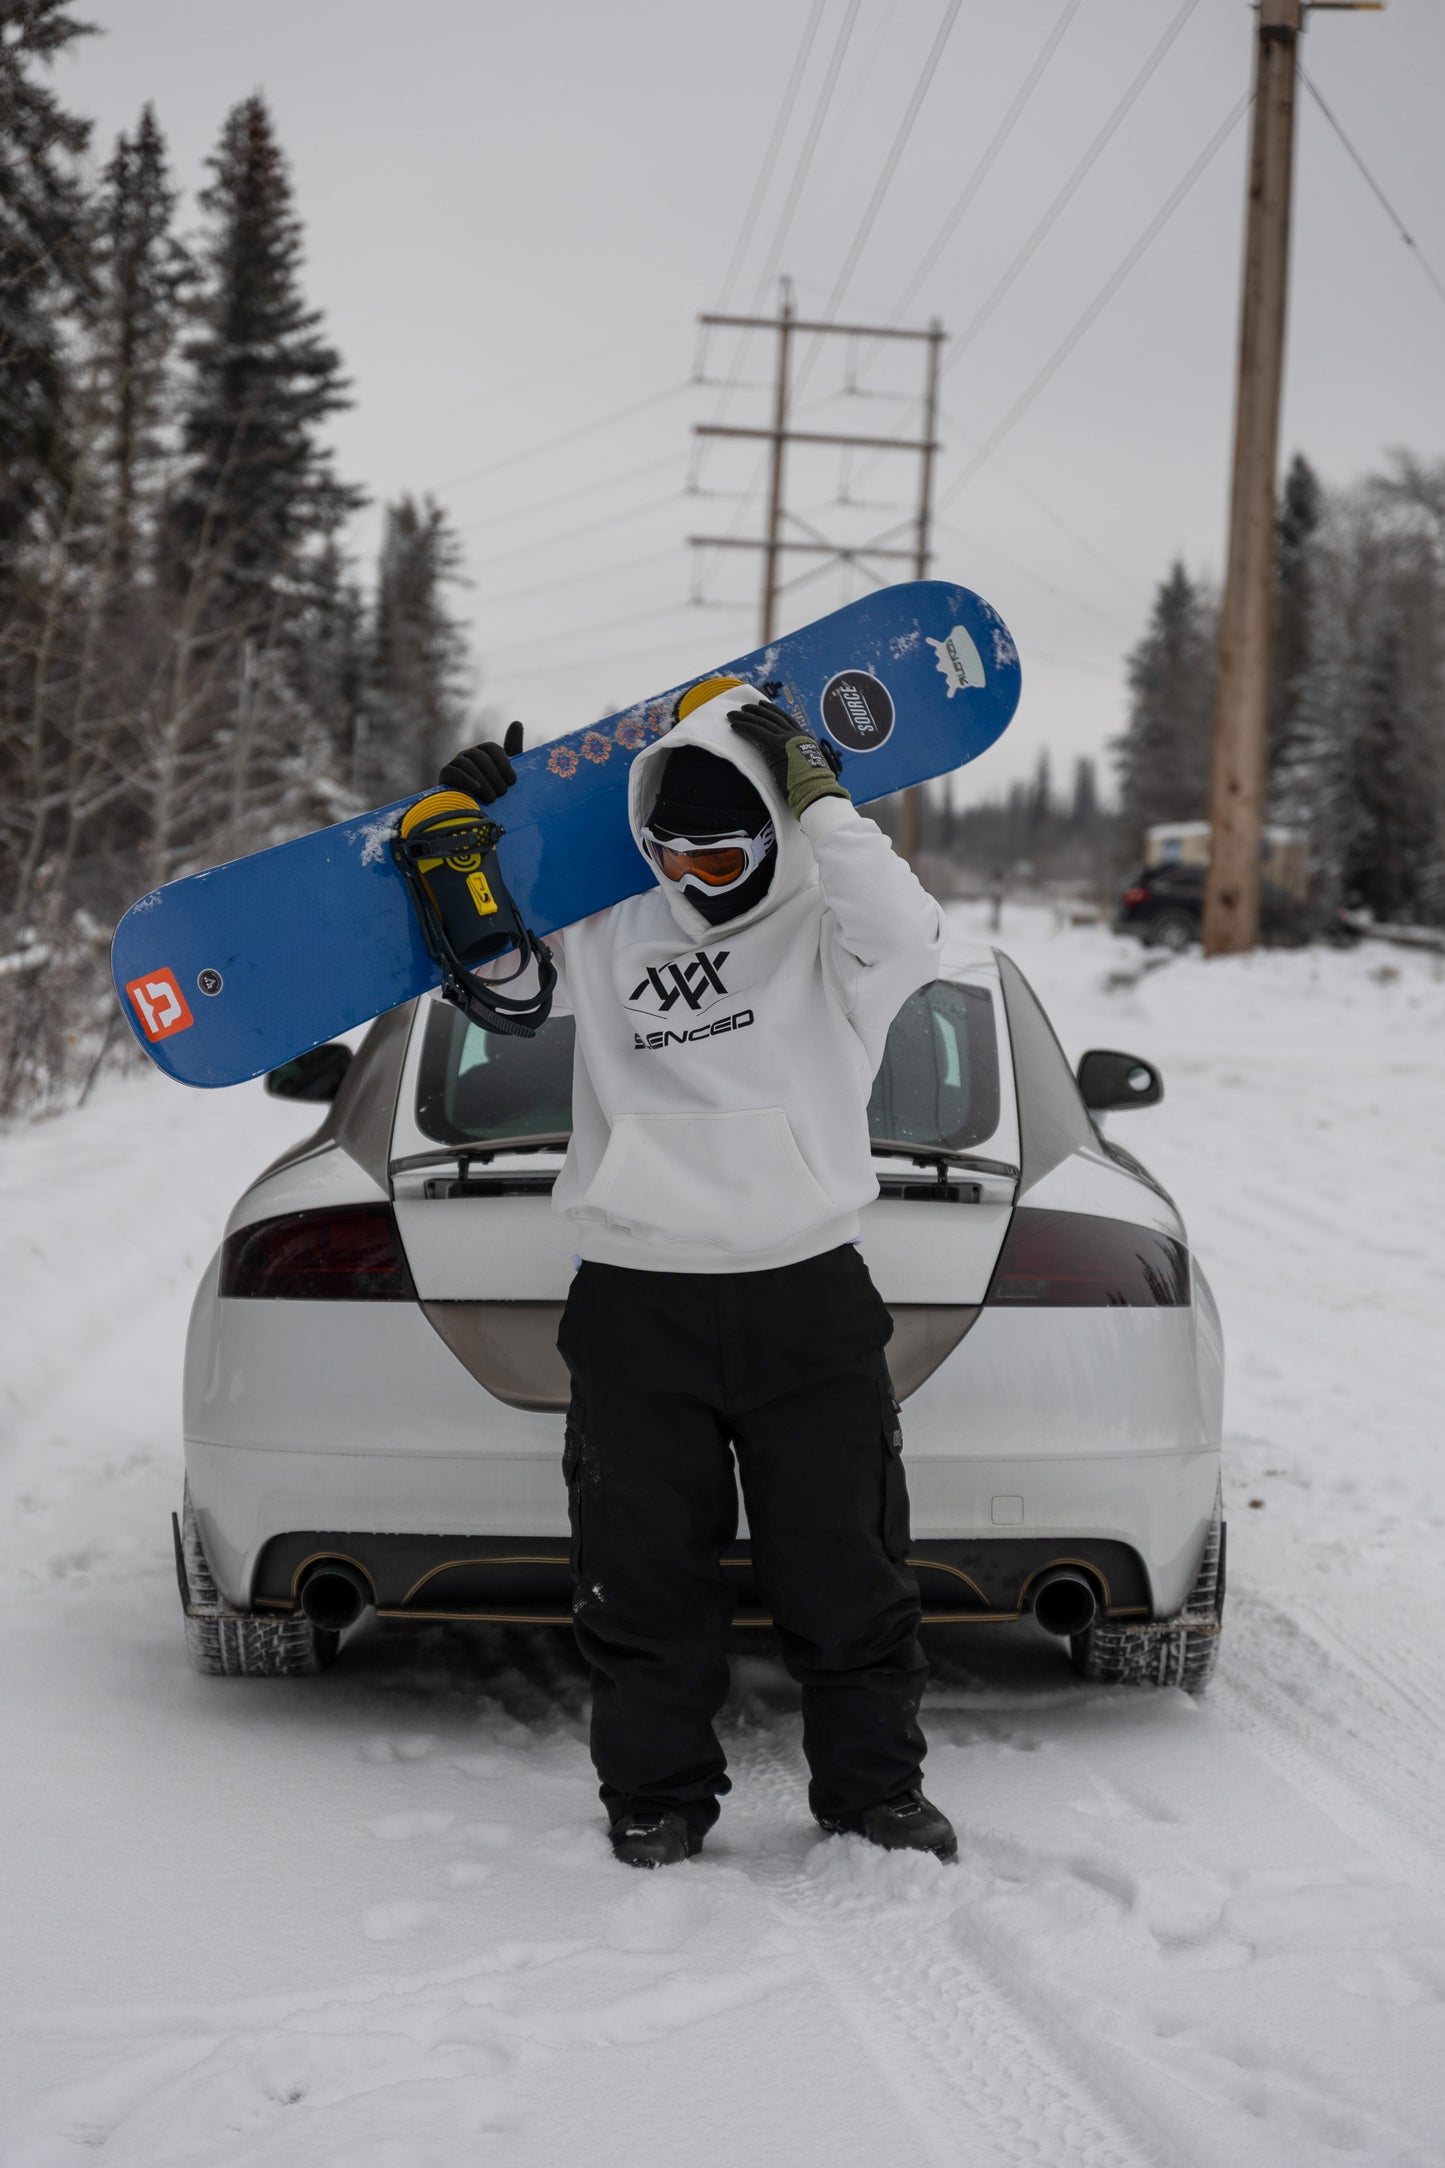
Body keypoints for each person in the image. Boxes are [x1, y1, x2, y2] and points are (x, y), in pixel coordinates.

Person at [438, 679, 956, 1869]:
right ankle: (656, 1794)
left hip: (804, 1290)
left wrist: (821, 794)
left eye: (718, 854)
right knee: (642, 1578)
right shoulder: (610, 919)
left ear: (774, 831)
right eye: (667, 851)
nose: (689, 877)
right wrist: (476, 839)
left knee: (845, 1565)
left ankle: (873, 1793)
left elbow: (914, 928)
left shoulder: (835, 930)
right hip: (635, 1296)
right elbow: (501, 984)